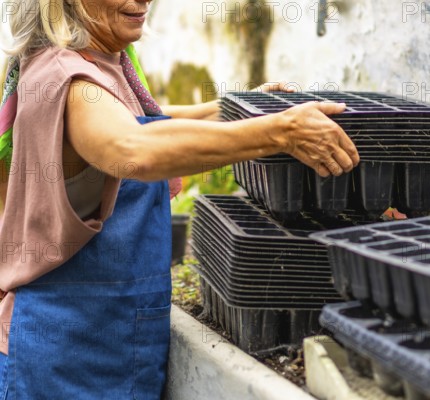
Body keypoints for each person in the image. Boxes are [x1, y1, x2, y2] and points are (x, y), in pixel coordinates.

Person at [0, 0, 360, 398]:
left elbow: (146, 120)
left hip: (109, 336)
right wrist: (280, 132)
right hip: (66, 356)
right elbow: (132, 147)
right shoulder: (70, 77)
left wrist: (243, 110)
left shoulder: (96, 63)